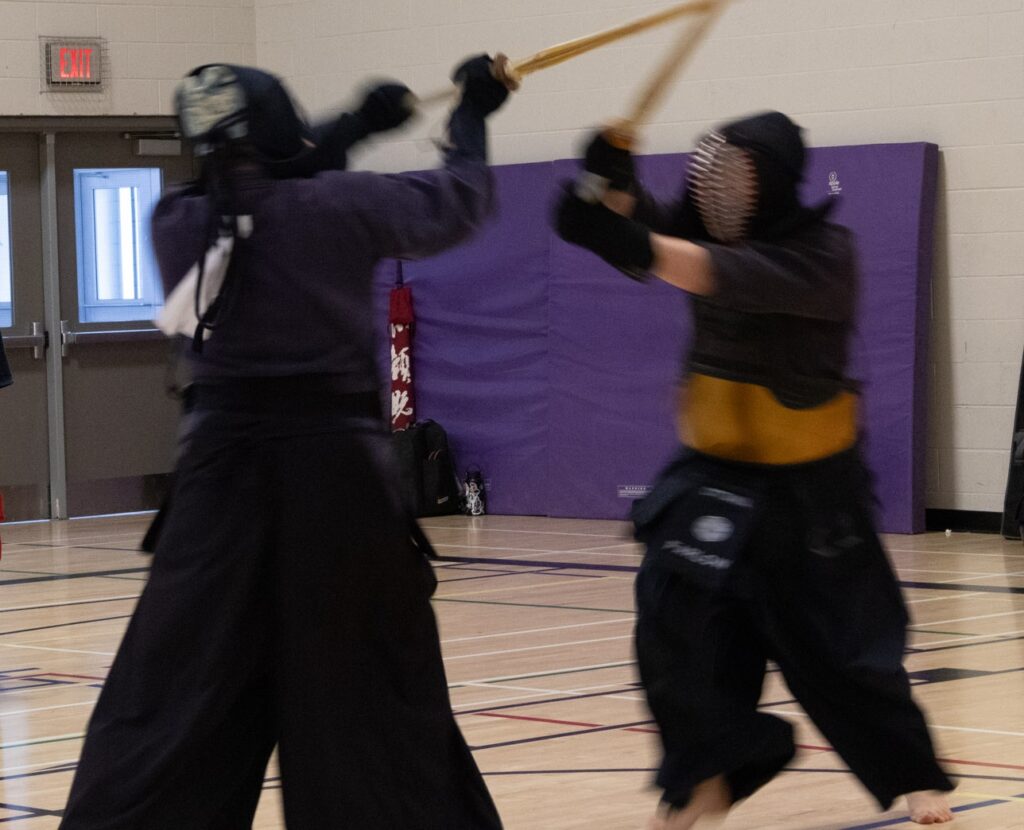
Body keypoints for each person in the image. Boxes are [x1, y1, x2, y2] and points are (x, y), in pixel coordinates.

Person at [60, 57, 509, 829]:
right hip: (337, 485)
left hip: (216, 489)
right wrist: (472, 114)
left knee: (176, 699)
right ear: (278, 126)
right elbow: (457, 204)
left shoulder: (176, 221)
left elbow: (260, 189)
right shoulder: (344, 205)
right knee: (370, 701)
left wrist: (350, 129)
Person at [554, 112, 955, 828]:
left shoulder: (823, 255)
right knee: (673, 623)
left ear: (770, 185)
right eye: (710, 174)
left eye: (735, 179)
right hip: (712, 476)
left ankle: (914, 774)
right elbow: (628, 226)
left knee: (843, 654)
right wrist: (603, 177)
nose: (717, 192)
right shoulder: (696, 232)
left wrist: (624, 235)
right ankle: (706, 775)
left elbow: (701, 270)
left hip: (810, 488)